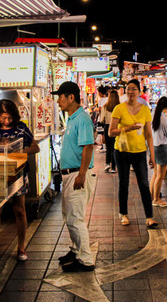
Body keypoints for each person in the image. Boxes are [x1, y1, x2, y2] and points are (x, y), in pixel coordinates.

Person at [0, 99, 39, 263]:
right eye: (3, 118)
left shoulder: (21, 128)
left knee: (19, 210)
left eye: (9, 118)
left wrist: (21, 151)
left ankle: (21, 247)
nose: (6, 121)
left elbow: (35, 147)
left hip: (18, 174)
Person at [51, 81, 97, 272]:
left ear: (71, 97)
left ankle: (86, 259)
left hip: (77, 175)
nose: (58, 101)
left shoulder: (82, 119)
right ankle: (76, 249)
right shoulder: (71, 118)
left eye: (60, 97)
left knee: (75, 217)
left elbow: (88, 146)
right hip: (69, 175)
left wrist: (82, 174)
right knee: (69, 216)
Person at [109, 79, 159, 228]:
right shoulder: (119, 108)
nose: (131, 92)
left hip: (139, 152)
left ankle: (149, 217)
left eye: (134, 89)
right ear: (125, 90)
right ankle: (123, 214)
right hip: (122, 151)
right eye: (128, 89)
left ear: (139, 91)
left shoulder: (145, 110)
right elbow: (110, 132)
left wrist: (152, 155)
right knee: (123, 183)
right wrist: (127, 128)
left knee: (144, 184)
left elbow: (149, 134)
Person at [150, 97, 167, 207]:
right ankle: (156, 199)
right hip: (162, 147)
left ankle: (153, 196)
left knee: (156, 174)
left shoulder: (153, 115)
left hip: (155, 146)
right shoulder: (163, 118)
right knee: (161, 175)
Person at [103, 90, 120, 173]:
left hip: (107, 127)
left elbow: (102, 118)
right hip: (116, 128)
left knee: (108, 147)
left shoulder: (105, 107)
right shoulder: (119, 107)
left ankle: (107, 164)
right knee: (114, 147)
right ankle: (113, 167)